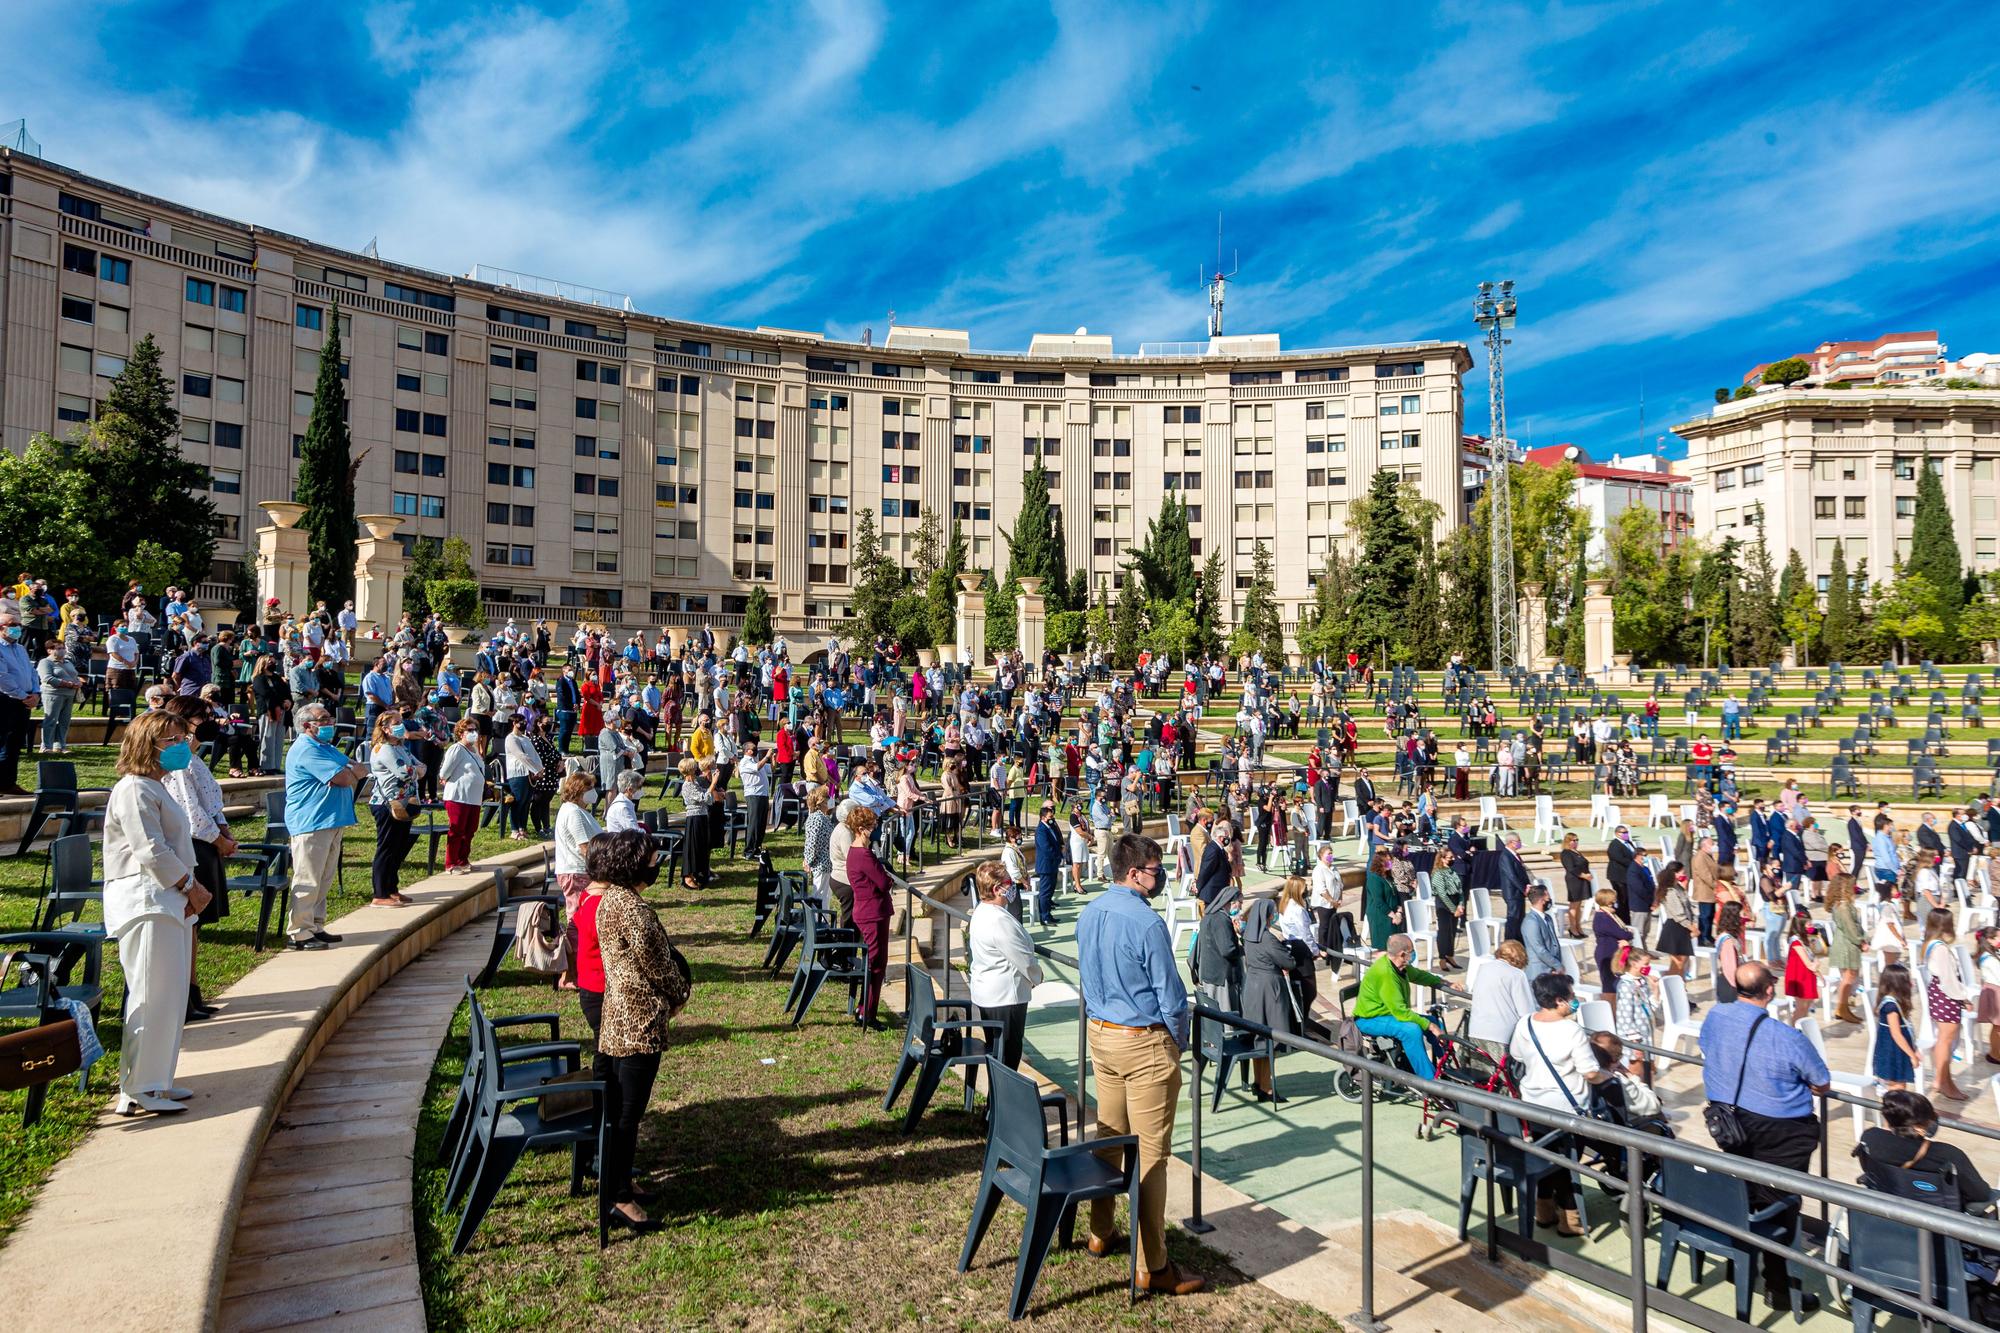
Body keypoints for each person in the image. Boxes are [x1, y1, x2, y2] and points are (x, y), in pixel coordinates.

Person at [1076, 832, 1203, 1296]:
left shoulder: (1090, 912)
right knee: (1152, 1155)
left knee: (1109, 1137)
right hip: (1144, 1042)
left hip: (1103, 1034)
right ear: (1134, 873)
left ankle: (1100, 1230)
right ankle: (1155, 1264)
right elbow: (1171, 997)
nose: (1160, 876)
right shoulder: (1147, 924)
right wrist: (1178, 1043)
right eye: (1154, 869)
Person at [1697, 961, 1830, 1314]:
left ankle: (1737, 1267)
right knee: (1781, 1206)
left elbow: (1708, 1049)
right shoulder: (1786, 1037)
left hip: (1730, 1124)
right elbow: (1821, 1081)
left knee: (1745, 1193)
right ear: (1769, 990)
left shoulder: (1716, 1017)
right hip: (1781, 1132)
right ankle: (1779, 1288)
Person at [102, 710, 208, 1114]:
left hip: (168, 900)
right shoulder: (133, 789)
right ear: (149, 746)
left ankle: (158, 1079)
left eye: (184, 738)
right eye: (173, 740)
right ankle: (138, 1087)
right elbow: (150, 849)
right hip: (147, 899)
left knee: (170, 993)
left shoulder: (156, 786)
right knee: (151, 991)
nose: (183, 746)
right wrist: (190, 886)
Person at [588, 830, 691, 1234]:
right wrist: (680, 993)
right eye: (651, 859)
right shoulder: (632, 909)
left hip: (618, 1017)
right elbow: (659, 965)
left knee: (621, 1111)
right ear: (633, 863)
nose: (656, 863)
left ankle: (620, 1181)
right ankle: (619, 1199)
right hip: (636, 1022)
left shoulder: (608, 899)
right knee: (628, 1114)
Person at [1508, 970, 1603, 1237]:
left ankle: (1544, 1210)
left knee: (1543, 1154)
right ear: (1560, 1001)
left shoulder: (1525, 1023)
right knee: (1566, 1162)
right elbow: (1590, 1072)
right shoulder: (1572, 1030)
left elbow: (1516, 1054)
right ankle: (1570, 1218)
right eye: (1571, 997)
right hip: (1566, 1106)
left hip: (1533, 1101)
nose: (1574, 1001)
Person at [284, 702, 364, 950]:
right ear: (308, 725)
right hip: (312, 821)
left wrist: (350, 772)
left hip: (332, 820)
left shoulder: (325, 747)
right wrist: (350, 773)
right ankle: (299, 932)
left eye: (330, 717)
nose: (331, 722)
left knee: (324, 877)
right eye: (324, 719)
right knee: (308, 878)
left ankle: (315, 925)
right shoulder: (307, 749)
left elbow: (357, 768)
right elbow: (343, 777)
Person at [1858, 1089, 1998, 1213]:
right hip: (1942, 1229)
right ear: (1919, 1127)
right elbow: (1981, 1195)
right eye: (1931, 1117)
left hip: (1890, 1220)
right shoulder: (1948, 1155)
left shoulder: (1870, 1138)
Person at [968, 857, 1043, 1073]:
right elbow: (1023, 958)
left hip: (990, 994)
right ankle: (1000, 1103)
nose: (1012, 888)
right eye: (1008, 884)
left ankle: (997, 1102)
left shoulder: (983, 912)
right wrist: (1037, 977)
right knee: (1007, 1055)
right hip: (1005, 997)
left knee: (998, 1052)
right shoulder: (999, 920)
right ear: (997, 889)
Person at [1352, 933, 1444, 1079]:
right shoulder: (1386, 974)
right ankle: (1429, 1081)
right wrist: (1431, 1028)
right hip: (1369, 1019)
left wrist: (1442, 982)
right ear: (1402, 954)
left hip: (1388, 1014)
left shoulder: (1400, 965)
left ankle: (1445, 1065)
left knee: (1434, 1021)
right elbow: (1401, 1013)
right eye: (1411, 952)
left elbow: (1418, 975)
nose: (1413, 954)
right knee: (1412, 1030)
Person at [1238, 898, 1299, 1102]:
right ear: (1267, 916)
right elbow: (1287, 962)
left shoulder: (1248, 935)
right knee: (1271, 1038)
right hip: (1269, 989)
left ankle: (1259, 1082)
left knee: (1258, 1037)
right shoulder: (1267, 938)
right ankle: (1267, 1087)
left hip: (1252, 987)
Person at [366, 710, 423, 907]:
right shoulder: (384, 749)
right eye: (396, 722)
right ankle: (380, 893)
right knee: (387, 848)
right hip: (387, 804)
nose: (401, 725)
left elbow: (418, 765)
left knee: (398, 847)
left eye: (401, 721)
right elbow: (405, 772)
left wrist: (416, 771)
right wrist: (416, 772)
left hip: (405, 802)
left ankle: (392, 888)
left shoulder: (400, 747)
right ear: (384, 728)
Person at [845, 806, 895, 1028]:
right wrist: (887, 878)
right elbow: (883, 882)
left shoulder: (855, 852)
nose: (875, 829)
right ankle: (868, 1013)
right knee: (876, 964)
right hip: (872, 913)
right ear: (862, 829)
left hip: (869, 911)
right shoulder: (863, 854)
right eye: (873, 826)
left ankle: (864, 1008)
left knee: (874, 963)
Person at [1921, 909, 1973, 1100]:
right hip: (1946, 995)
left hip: (1939, 993)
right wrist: (1963, 998)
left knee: (1944, 1039)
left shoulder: (1930, 944)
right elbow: (1949, 979)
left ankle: (1945, 1080)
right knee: (1945, 1040)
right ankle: (1942, 1081)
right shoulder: (1940, 948)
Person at [1469, 937, 1535, 1055]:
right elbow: (1526, 1012)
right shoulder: (1517, 974)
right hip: (1502, 1035)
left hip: (1476, 1030)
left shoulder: (1483, 968)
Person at [437, 718, 486, 873]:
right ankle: (451, 863)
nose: (473, 733)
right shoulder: (456, 749)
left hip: (474, 797)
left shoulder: (475, 751)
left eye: (475, 730)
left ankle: (463, 860)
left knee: (470, 830)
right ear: (461, 733)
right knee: (457, 830)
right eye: (469, 730)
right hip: (458, 796)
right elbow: (445, 772)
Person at [554, 770, 604, 911]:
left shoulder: (578, 810)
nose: (594, 791)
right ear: (579, 791)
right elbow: (584, 847)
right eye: (590, 788)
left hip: (582, 870)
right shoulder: (573, 812)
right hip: (576, 872)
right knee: (577, 915)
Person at [1871, 963, 1919, 1092]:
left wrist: (1914, 1050)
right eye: (1907, 981)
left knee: (1899, 1087)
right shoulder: (1891, 1007)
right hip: (1892, 1053)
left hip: (1898, 1051)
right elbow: (1896, 1034)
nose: (1911, 984)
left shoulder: (1895, 1004)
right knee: (1896, 1088)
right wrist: (1912, 1055)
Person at [500, 714, 542, 840]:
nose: (523, 724)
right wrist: (535, 768)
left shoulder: (526, 738)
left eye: (524, 721)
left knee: (526, 802)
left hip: (529, 774)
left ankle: (522, 828)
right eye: (520, 722)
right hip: (518, 773)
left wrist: (540, 768)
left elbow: (534, 754)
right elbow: (520, 755)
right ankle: (514, 829)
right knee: (518, 802)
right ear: (514, 723)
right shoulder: (511, 738)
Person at [36, 636, 80, 754]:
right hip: (53, 694)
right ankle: (46, 747)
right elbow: (47, 678)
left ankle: (60, 746)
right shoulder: (45, 662)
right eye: (58, 648)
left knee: (64, 721)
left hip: (69, 694)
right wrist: (67, 684)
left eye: (63, 648)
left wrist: (78, 682)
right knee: (51, 720)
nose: (62, 650)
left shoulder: (68, 662)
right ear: (49, 650)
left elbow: (74, 674)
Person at [801, 786, 835, 907]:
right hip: (820, 864)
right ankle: (818, 922)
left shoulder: (821, 817)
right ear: (820, 802)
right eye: (826, 799)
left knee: (824, 896)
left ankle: (821, 921)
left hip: (824, 864)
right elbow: (812, 843)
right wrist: (808, 861)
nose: (829, 801)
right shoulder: (817, 819)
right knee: (820, 897)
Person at [1522, 883, 1563, 982]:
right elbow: (1539, 949)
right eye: (1547, 897)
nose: (1549, 900)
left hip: (1551, 970)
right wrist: (1557, 965)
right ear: (1541, 900)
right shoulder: (1531, 922)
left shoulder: (1547, 918)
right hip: (1539, 972)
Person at [1362, 849, 1401, 951]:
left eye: (1390, 860)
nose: (1390, 863)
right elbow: (1379, 901)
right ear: (1380, 863)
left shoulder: (1389, 877)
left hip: (1393, 915)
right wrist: (1393, 915)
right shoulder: (1374, 878)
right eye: (1387, 861)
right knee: (1383, 946)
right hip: (1380, 916)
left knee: (1394, 946)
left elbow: (1396, 896)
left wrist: (1399, 913)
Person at [1032, 801, 1062, 927]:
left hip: (1052, 864)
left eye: (1052, 817)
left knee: (1050, 891)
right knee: (1045, 892)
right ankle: (1044, 917)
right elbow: (1046, 848)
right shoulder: (1041, 831)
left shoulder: (1050, 827)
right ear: (1043, 818)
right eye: (1050, 817)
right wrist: (1058, 855)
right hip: (1046, 865)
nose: (1052, 819)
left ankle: (1048, 914)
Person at [1559, 831, 1593, 936]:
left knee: (1579, 906)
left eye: (1577, 840)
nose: (1576, 842)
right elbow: (1571, 868)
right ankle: (1572, 928)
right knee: (1574, 905)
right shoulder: (1566, 853)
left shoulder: (1576, 852)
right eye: (1573, 840)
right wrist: (1584, 875)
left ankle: (1578, 926)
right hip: (1575, 881)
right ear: (1568, 841)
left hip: (1583, 881)